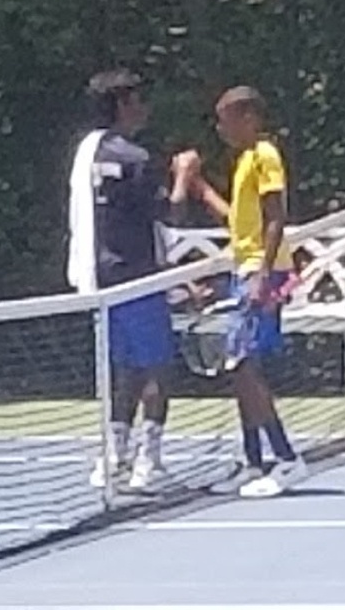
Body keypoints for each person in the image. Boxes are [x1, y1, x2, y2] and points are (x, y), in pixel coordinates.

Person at [66, 68, 198, 491]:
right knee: (157, 365)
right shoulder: (134, 159)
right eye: (138, 100)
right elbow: (172, 214)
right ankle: (148, 460)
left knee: (125, 367)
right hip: (137, 279)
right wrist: (185, 174)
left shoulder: (86, 155)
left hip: (98, 278)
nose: (144, 108)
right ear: (123, 105)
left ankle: (113, 456)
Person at [186, 85, 309, 498]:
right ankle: (254, 462)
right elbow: (239, 225)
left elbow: (276, 218)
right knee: (241, 367)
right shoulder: (243, 162)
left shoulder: (265, 156)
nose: (220, 128)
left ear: (249, 118)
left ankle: (287, 460)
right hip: (247, 269)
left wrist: (261, 276)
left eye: (226, 119)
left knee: (244, 366)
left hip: (263, 272)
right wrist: (200, 188)